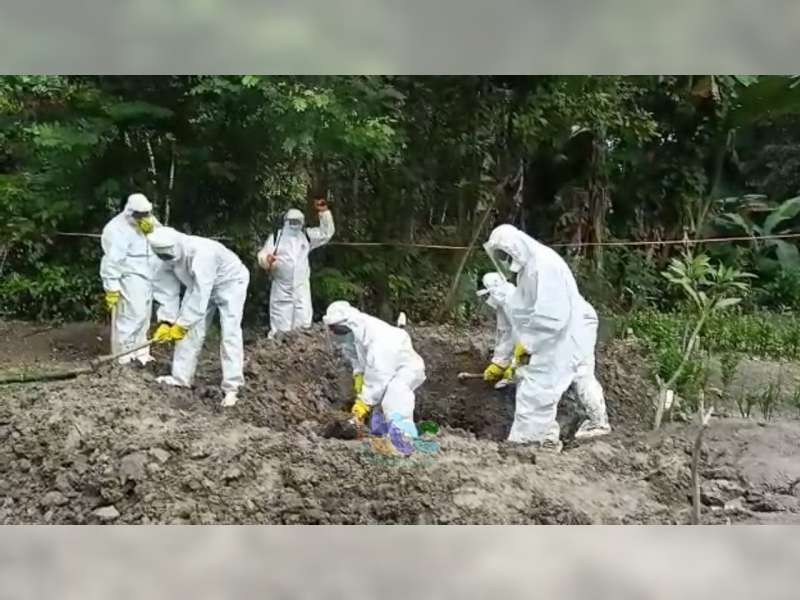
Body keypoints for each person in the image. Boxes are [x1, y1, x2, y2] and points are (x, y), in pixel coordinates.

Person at [484, 224, 611, 451]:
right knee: (539, 382)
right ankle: (544, 439)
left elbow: (549, 318)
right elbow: (510, 330)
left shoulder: (543, 266)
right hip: (556, 334)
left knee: (541, 384)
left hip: (566, 332)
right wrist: (501, 361)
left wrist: (525, 349)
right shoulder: (526, 274)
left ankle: (531, 444)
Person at [146, 227, 250, 407]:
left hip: (231, 283)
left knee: (230, 332)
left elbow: (201, 295)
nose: (165, 258)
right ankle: (180, 378)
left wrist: (182, 324)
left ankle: (233, 387)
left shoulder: (202, 253)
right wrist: (166, 320)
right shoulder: (162, 258)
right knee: (190, 332)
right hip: (198, 286)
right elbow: (166, 291)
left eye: (167, 254)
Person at [322, 301, 426, 441]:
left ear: (350, 325)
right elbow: (355, 357)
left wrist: (363, 403)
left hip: (405, 368)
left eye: (340, 331)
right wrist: (358, 375)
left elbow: (378, 376)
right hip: (383, 369)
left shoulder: (379, 340)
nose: (339, 335)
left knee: (394, 396)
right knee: (378, 406)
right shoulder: (357, 335)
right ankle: (379, 435)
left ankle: (403, 438)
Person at [257, 199, 334, 338]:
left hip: (301, 286)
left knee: (303, 321)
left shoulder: (306, 236)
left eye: (298, 221)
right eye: (292, 221)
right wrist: (267, 260)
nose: (294, 225)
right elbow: (263, 255)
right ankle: (277, 351)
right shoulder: (276, 237)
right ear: (286, 221)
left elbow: (325, 233)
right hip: (281, 286)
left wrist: (324, 212)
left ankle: (300, 351)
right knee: (280, 323)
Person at [99, 192, 160, 365]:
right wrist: (111, 287)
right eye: (140, 215)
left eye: (146, 214)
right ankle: (123, 358)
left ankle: (141, 355)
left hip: (149, 275)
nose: (144, 218)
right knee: (130, 317)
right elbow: (111, 261)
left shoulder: (150, 222)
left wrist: (155, 233)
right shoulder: (116, 229)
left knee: (144, 317)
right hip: (129, 277)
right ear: (130, 213)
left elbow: (163, 240)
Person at [476, 271, 521, 388]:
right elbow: (505, 334)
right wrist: (499, 363)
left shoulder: (515, 300)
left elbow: (524, 336)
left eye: (490, 293)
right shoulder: (503, 304)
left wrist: (516, 365)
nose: (490, 297)